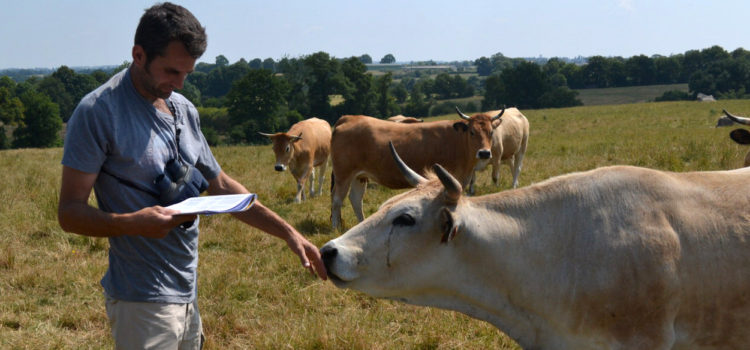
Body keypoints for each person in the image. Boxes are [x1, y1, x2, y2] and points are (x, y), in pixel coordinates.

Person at [57, 3, 327, 349]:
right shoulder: (98, 113)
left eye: (187, 74)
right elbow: (69, 212)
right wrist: (132, 223)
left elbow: (223, 186)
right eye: (171, 71)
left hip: (187, 291)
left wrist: (289, 234)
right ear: (138, 55)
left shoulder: (184, 110)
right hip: (141, 301)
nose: (179, 84)